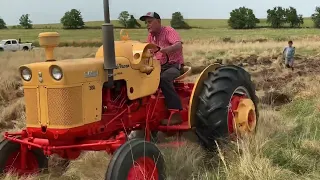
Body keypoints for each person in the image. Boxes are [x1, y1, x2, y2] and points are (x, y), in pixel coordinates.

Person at [139, 12, 184, 125]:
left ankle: (176, 114)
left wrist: (168, 49)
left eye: (150, 22)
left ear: (158, 22)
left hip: (173, 65)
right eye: (146, 23)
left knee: (163, 79)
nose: (147, 25)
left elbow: (178, 45)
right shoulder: (151, 36)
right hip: (158, 66)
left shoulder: (168, 31)